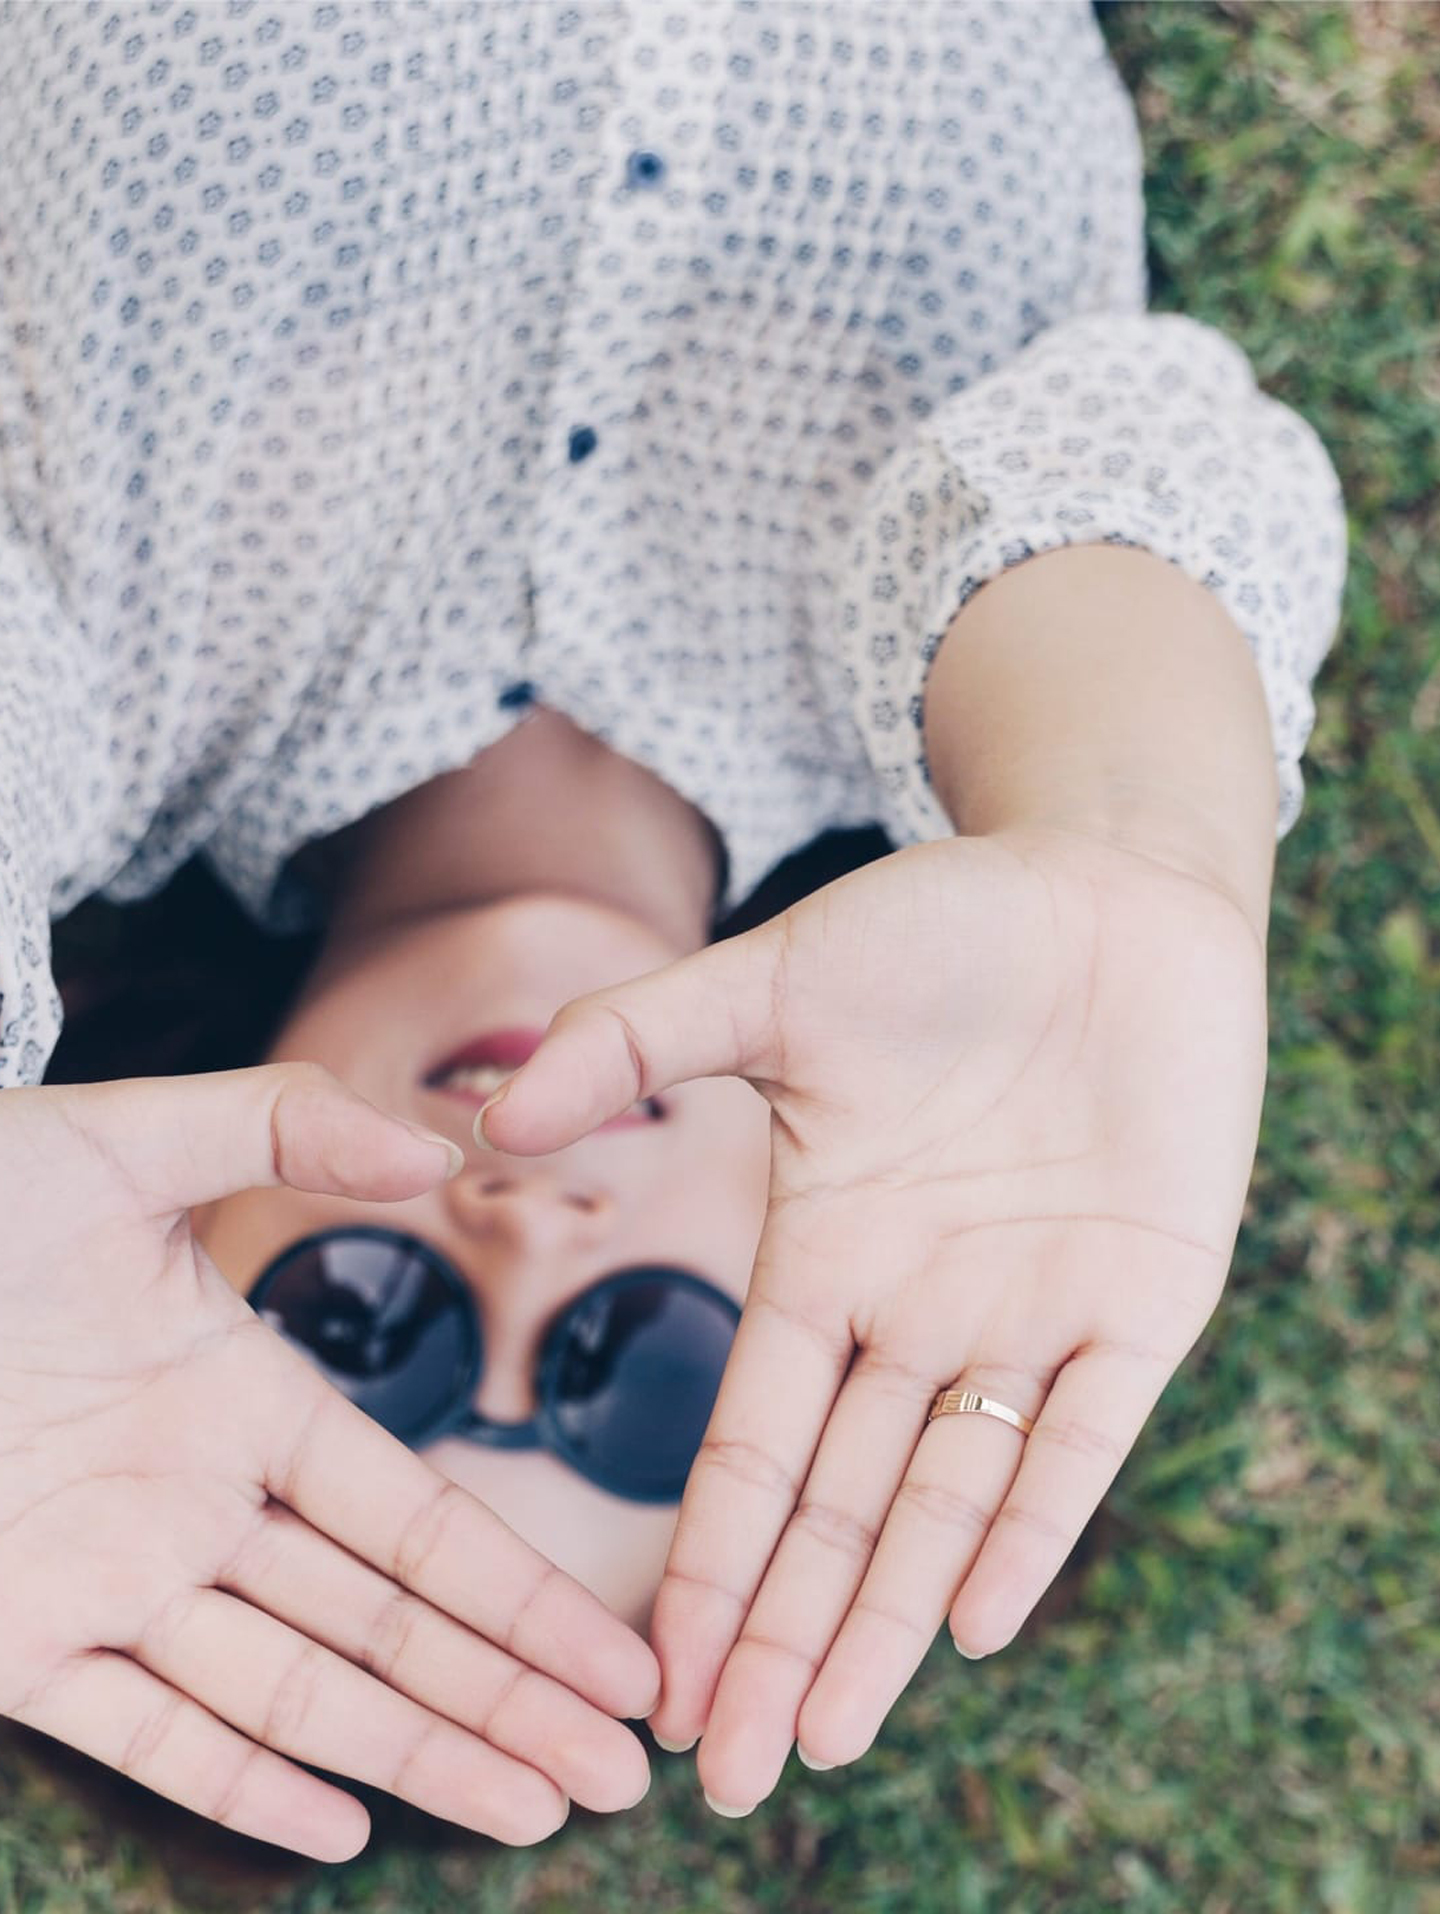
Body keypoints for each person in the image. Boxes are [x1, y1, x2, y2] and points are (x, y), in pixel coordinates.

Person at [0, 0, 1346, 1860]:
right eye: (645, 1365)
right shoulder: (967, 720)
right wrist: (1137, 833)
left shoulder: (91, 681)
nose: (523, 1228)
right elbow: (1120, 464)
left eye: (352, 1330)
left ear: (172, 1246)